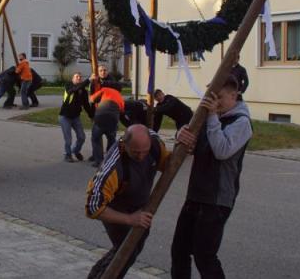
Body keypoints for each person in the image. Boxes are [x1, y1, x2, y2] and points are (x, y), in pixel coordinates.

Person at [170, 77, 252, 279]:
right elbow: (191, 148)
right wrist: (182, 136)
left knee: (204, 256)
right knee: (179, 250)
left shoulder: (241, 122)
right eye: (211, 97)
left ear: (234, 95)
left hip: (217, 199)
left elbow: (222, 150)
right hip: (196, 193)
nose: (214, 102)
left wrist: (213, 116)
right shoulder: (209, 118)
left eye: (220, 97)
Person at [86, 124, 174, 279]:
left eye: (144, 152)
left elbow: (166, 163)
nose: (141, 157)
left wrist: (183, 142)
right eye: (135, 153)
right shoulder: (112, 167)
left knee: (132, 249)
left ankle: (96, 275)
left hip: (140, 207)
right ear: (124, 144)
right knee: (126, 252)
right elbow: (93, 207)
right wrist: (129, 219)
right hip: (117, 210)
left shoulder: (154, 144)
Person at [60, 73, 93, 162]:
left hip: (76, 118)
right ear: (72, 79)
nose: (78, 78)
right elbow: (74, 89)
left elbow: (86, 105)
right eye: (76, 76)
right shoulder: (69, 86)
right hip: (65, 117)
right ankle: (68, 155)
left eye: (80, 77)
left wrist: (91, 116)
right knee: (68, 139)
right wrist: (88, 80)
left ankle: (75, 151)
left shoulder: (83, 91)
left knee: (82, 137)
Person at [90, 86, 125, 168]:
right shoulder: (120, 96)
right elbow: (122, 110)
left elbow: (92, 99)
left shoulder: (105, 89)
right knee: (111, 139)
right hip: (113, 118)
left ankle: (98, 161)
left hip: (101, 115)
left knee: (95, 138)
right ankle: (109, 160)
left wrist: (96, 100)